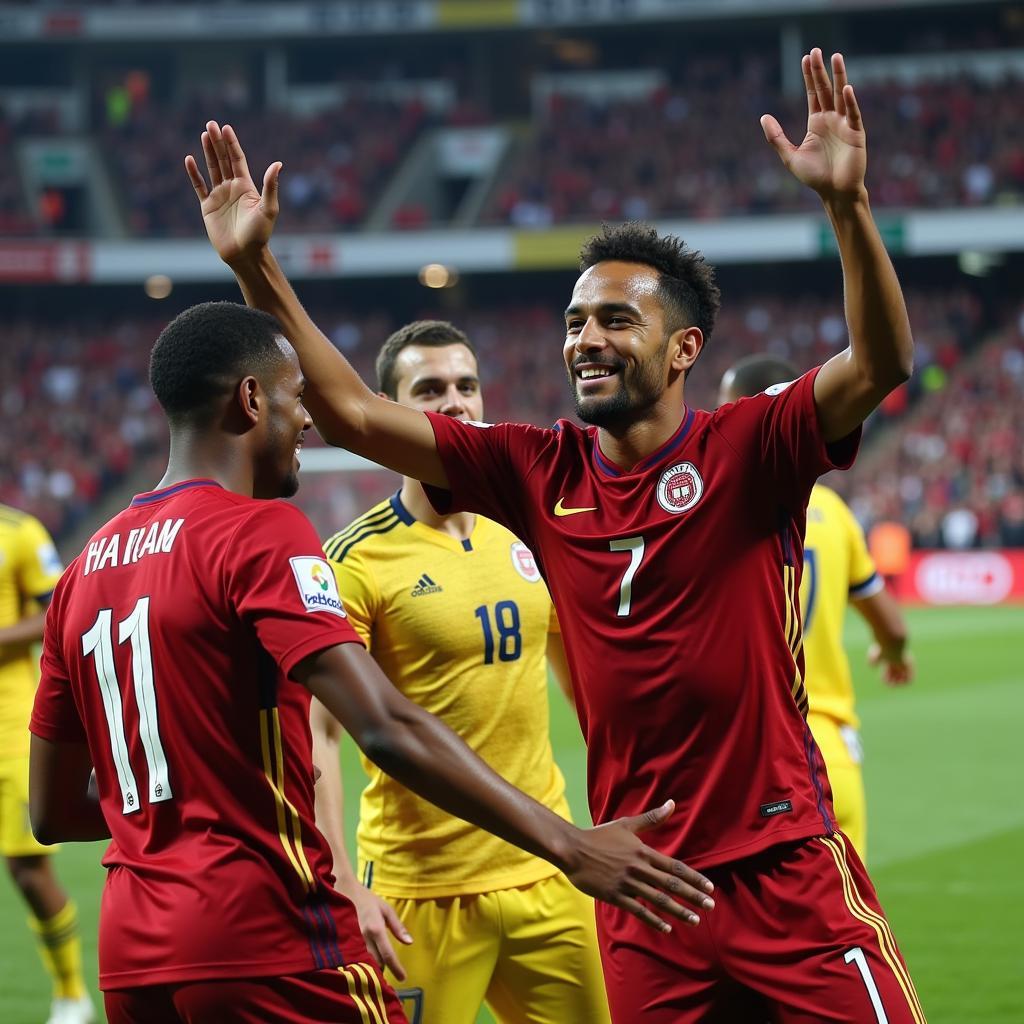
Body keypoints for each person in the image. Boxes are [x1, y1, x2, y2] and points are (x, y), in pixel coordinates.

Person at [187, 47, 926, 1022]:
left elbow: (880, 360)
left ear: (683, 349)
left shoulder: (754, 446)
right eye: (575, 320)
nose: (584, 338)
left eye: (616, 319)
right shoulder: (540, 469)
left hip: (783, 865)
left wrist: (846, 206)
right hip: (641, 885)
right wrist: (256, 266)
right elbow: (360, 417)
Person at [28, 301, 713, 1024]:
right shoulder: (264, 532)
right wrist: (569, 844)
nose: (310, 423)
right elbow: (379, 726)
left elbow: (52, 811)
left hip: (135, 952)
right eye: (297, 400)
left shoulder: (85, 569)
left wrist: (187, 792)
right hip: (268, 930)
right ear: (253, 399)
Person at [311, 319, 610, 1024]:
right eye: (431, 389)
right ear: (387, 414)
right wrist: (343, 883)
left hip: (548, 870)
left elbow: (590, 690)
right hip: (420, 893)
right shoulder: (351, 559)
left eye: (467, 386)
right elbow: (318, 733)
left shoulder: (531, 531)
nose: (456, 403)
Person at [719, 353, 915, 860]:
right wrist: (892, 655)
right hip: (830, 750)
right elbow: (892, 628)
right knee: (848, 927)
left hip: (752, 757)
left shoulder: (708, 506)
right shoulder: (833, 512)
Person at [0, 504, 95, 1024]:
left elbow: (55, 607)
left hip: (10, 728)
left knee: (27, 871)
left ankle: (71, 993)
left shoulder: (17, 533)